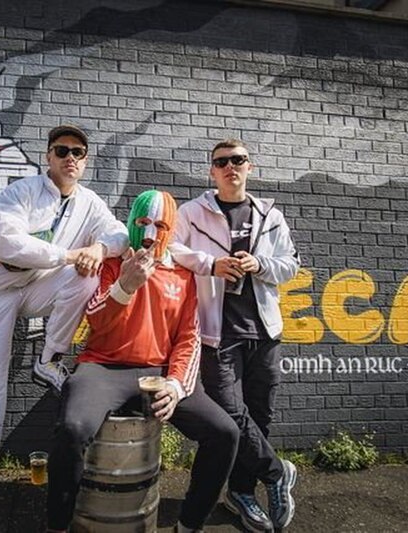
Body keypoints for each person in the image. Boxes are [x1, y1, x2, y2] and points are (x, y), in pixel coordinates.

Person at [0, 125, 128, 522]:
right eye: (62, 150)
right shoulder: (20, 192)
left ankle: (49, 358)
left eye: (78, 153)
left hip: (38, 289)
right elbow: (9, 245)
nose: (71, 158)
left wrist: (99, 248)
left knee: (88, 274)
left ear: (85, 162)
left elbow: (118, 233)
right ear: (48, 157)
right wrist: (74, 254)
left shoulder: (89, 202)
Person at [46, 190, 240, 533]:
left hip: (159, 374)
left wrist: (177, 385)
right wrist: (125, 285)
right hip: (103, 367)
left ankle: (188, 525)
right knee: (72, 429)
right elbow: (95, 319)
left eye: (160, 225)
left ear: (171, 229)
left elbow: (188, 338)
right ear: (131, 223)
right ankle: (58, 526)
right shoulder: (111, 263)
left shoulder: (182, 275)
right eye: (142, 222)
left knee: (224, 434)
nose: (150, 233)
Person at [170, 138, 301, 531]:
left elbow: (291, 265)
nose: (231, 167)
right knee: (230, 412)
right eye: (222, 162)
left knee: (259, 416)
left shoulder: (269, 214)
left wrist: (259, 264)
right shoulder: (192, 212)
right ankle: (276, 472)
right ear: (212, 171)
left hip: (263, 330)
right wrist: (211, 263)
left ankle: (242, 492)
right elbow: (171, 249)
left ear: (250, 167)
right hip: (216, 331)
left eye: (238, 160)